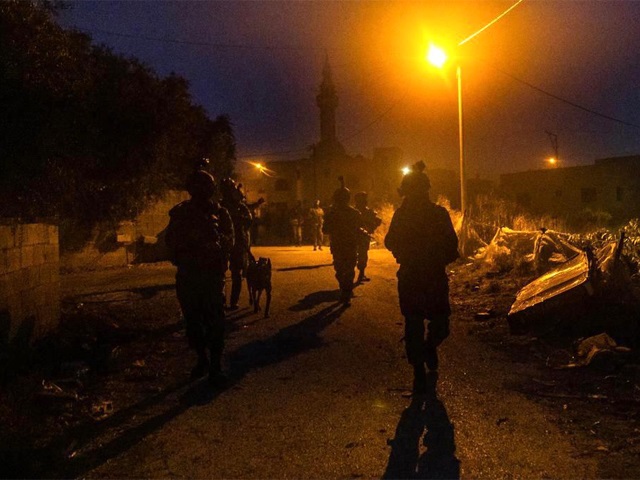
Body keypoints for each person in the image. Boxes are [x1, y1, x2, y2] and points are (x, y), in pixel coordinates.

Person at [384, 161, 459, 394]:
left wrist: (438, 257)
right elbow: (390, 241)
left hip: (431, 275)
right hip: (414, 275)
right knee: (414, 323)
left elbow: (452, 245)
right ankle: (418, 369)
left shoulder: (438, 214)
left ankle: (428, 349)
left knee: (440, 325)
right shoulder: (404, 215)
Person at [165, 169, 234, 385]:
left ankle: (215, 365)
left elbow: (229, 239)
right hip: (189, 274)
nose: (204, 189)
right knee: (193, 321)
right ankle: (202, 359)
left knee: (215, 321)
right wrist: (191, 244)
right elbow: (171, 242)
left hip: (212, 275)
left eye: (207, 185)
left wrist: (218, 244)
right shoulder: (180, 213)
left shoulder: (220, 213)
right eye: (200, 185)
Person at [323, 178, 364, 306]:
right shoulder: (355, 213)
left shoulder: (332, 213)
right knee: (348, 269)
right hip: (349, 245)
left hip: (339, 245)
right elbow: (360, 228)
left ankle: (344, 290)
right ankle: (346, 292)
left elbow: (325, 230)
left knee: (340, 269)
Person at [220, 177, 253, 310]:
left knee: (236, 273)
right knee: (220, 273)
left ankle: (233, 301)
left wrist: (239, 221)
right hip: (223, 242)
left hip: (238, 242)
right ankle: (221, 302)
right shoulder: (219, 206)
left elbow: (248, 221)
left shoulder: (240, 207)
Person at [354, 191, 382, 282]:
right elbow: (378, 221)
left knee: (358, 254)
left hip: (355, 236)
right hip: (362, 237)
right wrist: (371, 228)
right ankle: (361, 274)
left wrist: (371, 228)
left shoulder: (353, 211)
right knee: (362, 254)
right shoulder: (367, 212)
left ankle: (360, 274)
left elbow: (377, 221)